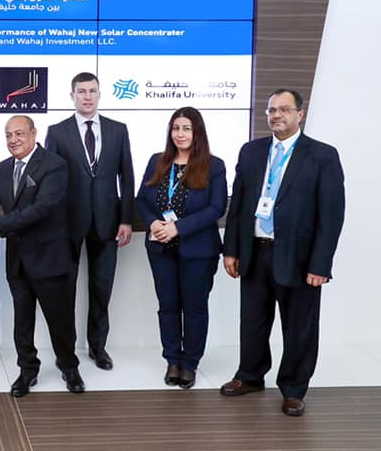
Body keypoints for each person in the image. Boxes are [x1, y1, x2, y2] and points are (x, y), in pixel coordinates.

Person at [220, 89, 345, 417]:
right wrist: (231, 250)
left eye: (284, 109)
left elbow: (331, 215)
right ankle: (250, 376)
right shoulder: (251, 151)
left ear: (300, 114)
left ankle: (293, 388)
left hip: (300, 259)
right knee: (253, 322)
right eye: (272, 110)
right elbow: (238, 205)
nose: (277, 115)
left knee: (299, 326)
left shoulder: (322, 155)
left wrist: (321, 264)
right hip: (255, 252)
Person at [0, 115, 84, 397]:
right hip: (18, 260)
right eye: (9, 135)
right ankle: (27, 370)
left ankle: (69, 366)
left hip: (49, 257)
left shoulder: (54, 165)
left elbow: (42, 208)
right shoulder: (3, 167)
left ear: (34, 133)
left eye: (19, 134)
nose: (13, 140)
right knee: (22, 321)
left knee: (59, 319)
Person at [45, 72, 134, 371]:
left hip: (108, 222)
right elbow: (49, 181)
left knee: (101, 288)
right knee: (65, 289)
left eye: (92, 91)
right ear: (72, 96)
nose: (87, 96)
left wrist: (126, 219)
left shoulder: (118, 130)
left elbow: (127, 177)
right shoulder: (57, 132)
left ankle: (98, 347)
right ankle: (66, 351)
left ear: (99, 94)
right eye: (81, 91)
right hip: (67, 224)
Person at [135, 107, 227, 389]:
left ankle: (189, 363)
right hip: (160, 249)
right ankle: (172, 360)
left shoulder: (214, 165)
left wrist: (178, 227)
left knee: (195, 307)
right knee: (168, 306)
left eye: (187, 128)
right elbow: (141, 200)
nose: (180, 134)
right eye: (176, 128)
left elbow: (217, 208)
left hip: (198, 250)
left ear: (197, 132)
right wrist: (153, 223)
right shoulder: (157, 161)